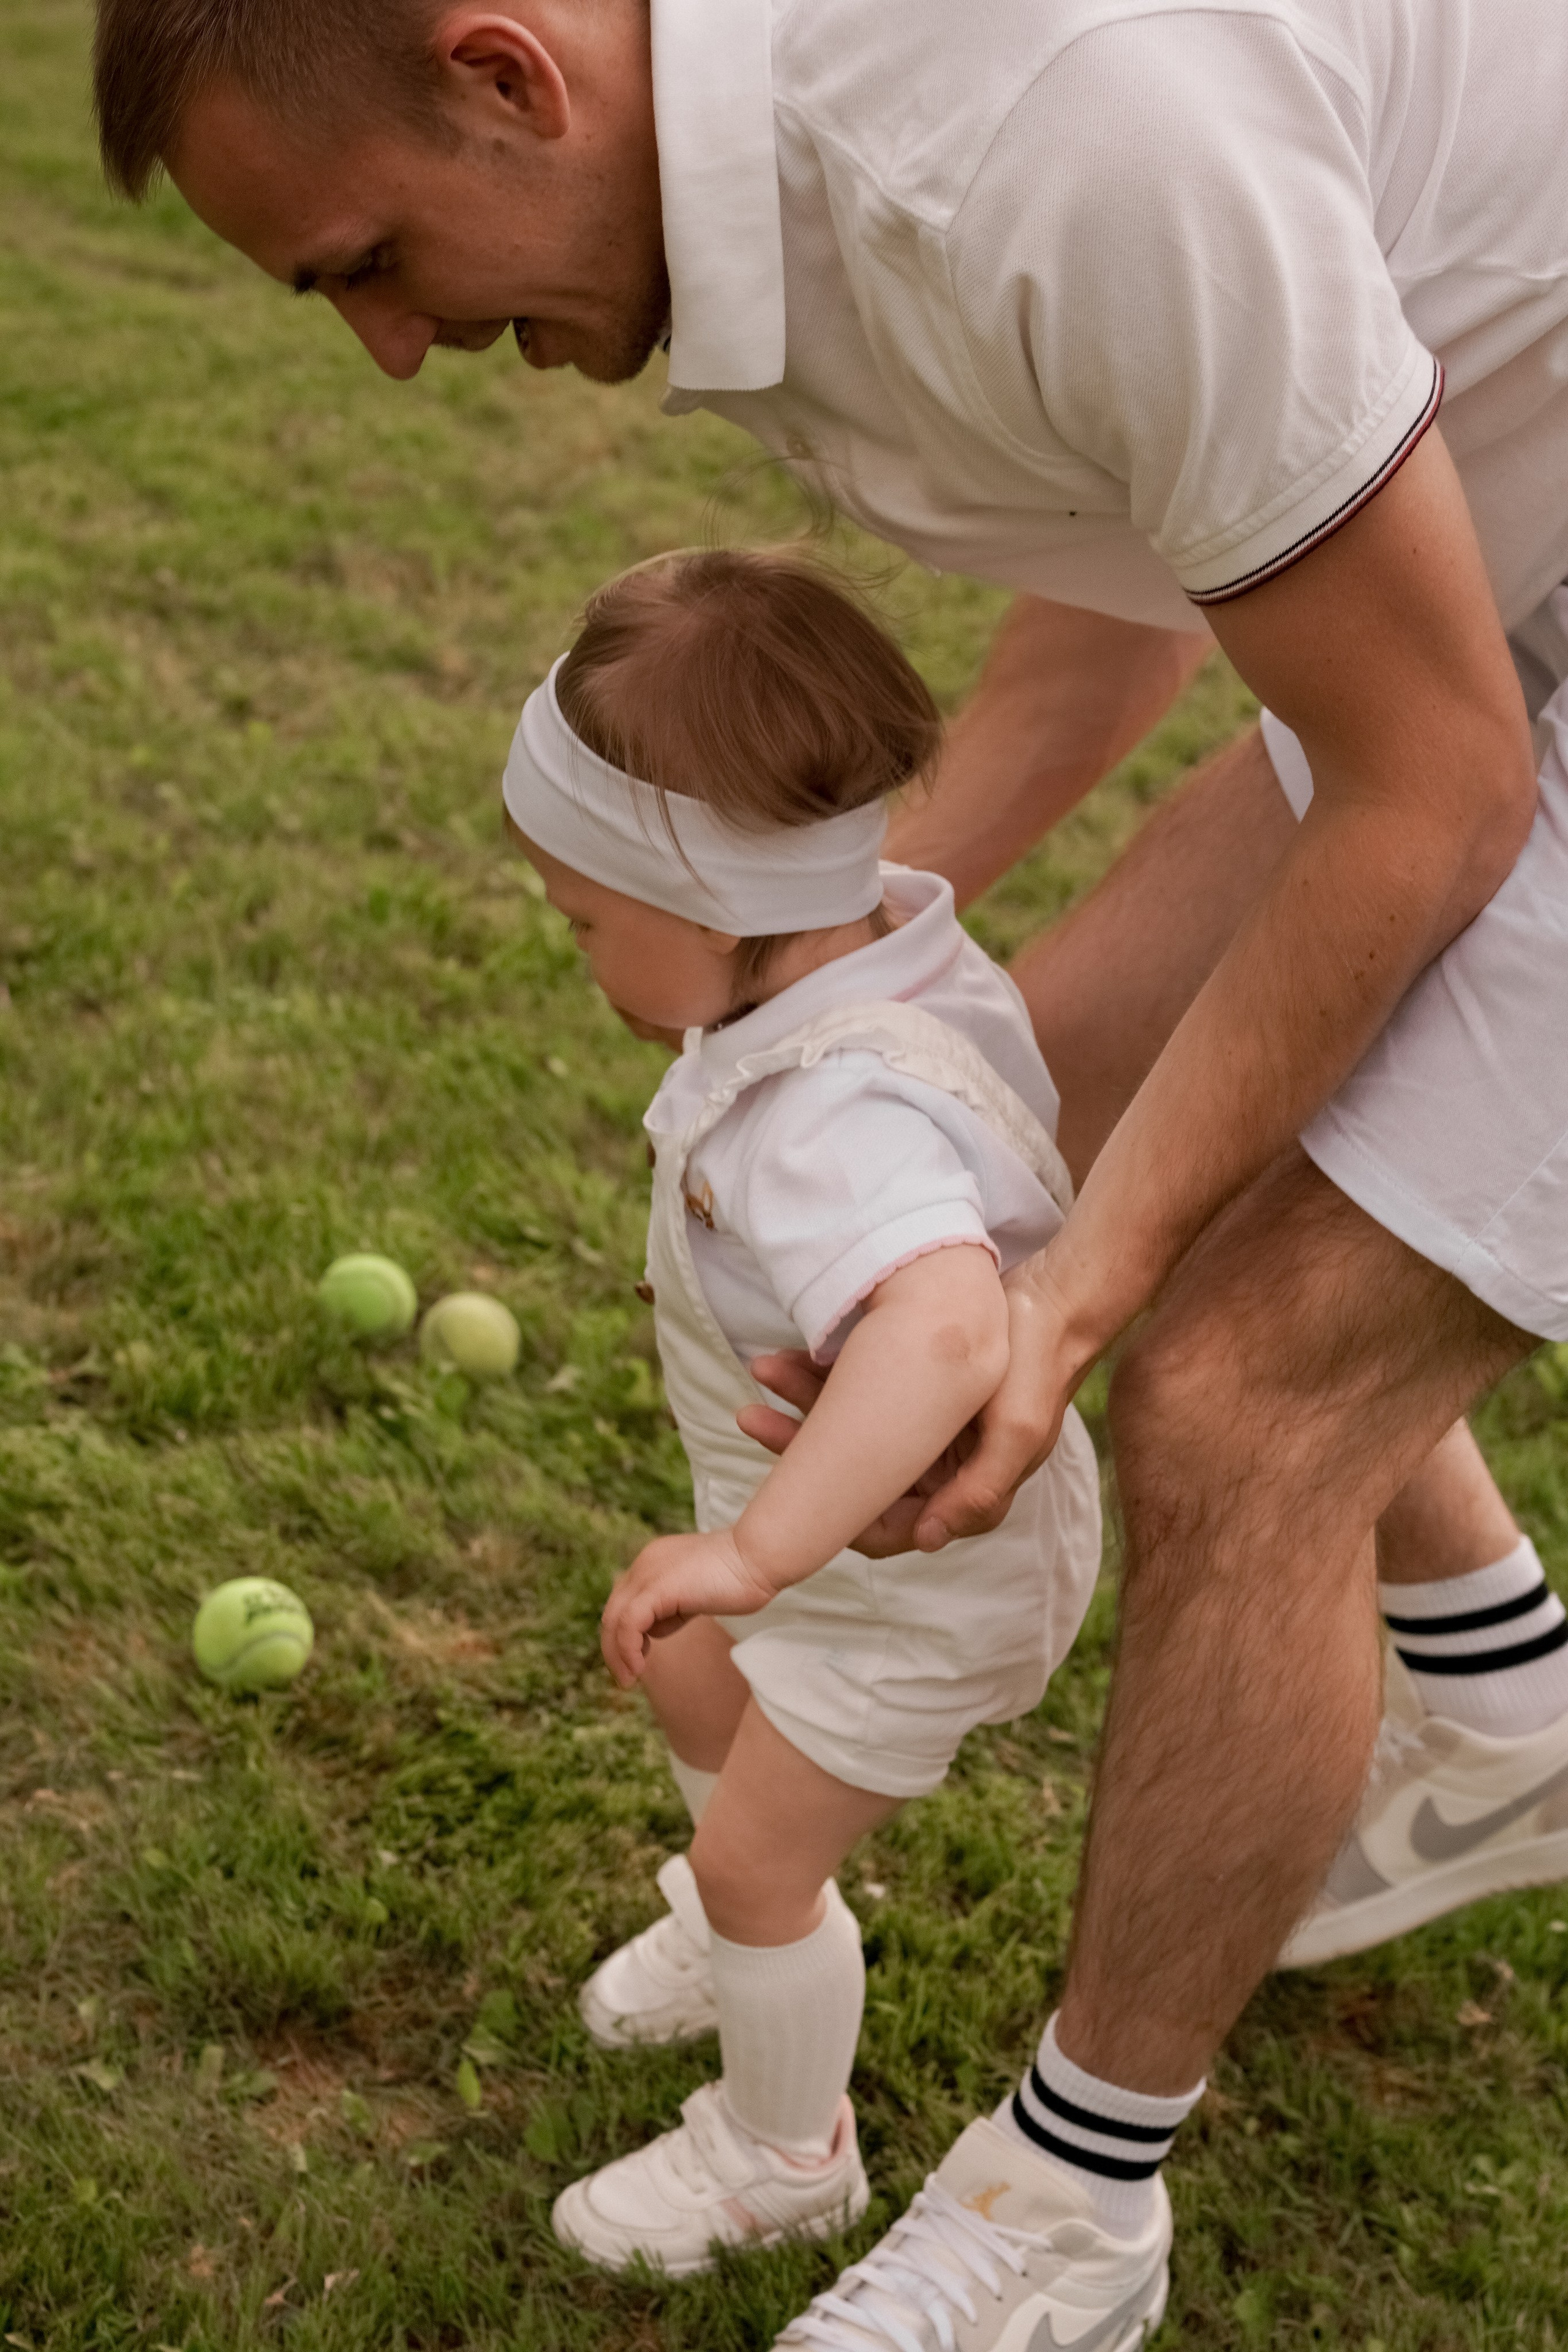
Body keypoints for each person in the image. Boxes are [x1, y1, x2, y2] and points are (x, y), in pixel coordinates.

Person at [89, 0, 1568, 2339]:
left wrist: (1066, 1303)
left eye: (367, 260)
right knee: (1025, 1109)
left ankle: (1074, 2205)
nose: (385, 350)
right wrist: (810, 973)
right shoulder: (761, 195)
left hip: (1474, 674)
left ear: (507, 76)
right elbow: (1136, 585)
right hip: (1476, 593)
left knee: (1236, 1396)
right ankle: (1503, 1701)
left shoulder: (1043, 144)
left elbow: (1435, 782)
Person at [502, 546, 1113, 2289]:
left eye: (586, 922)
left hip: (917, 1580)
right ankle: (734, 1934)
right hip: (851, 1543)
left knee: (762, 1857)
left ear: (706, 911)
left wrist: (761, 1550)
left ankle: (784, 2158)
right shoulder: (870, 944)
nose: (576, 952)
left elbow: (944, 1323)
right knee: (689, 1668)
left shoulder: (829, 1118)